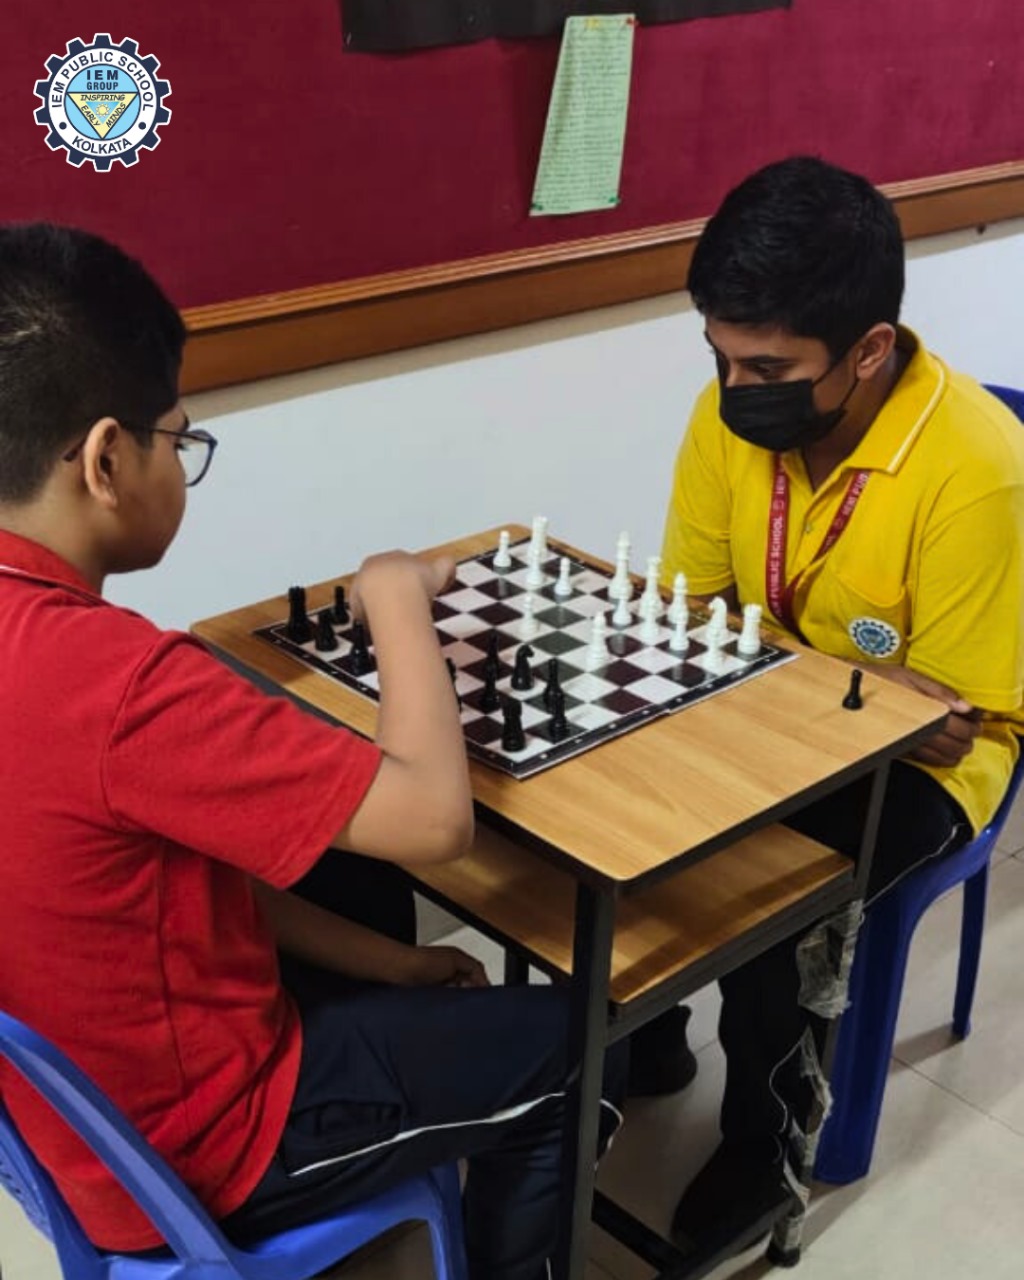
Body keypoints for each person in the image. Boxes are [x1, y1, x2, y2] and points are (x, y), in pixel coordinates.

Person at [0, 223, 625, 1280]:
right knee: (579, 1047)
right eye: (178, 440)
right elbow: (434, 820)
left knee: (344, 869)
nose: (181, 465)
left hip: (67, 1128)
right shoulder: (120, 683)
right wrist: (394, 595)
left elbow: (186, 885)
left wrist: (401, 966)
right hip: (192, 1151)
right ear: (106, 460)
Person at [660, 156, 1024, 1252]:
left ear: (869, 349)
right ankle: (641, 1041)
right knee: (621, 802)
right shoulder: (729, 414)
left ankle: (764, 1150)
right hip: (778, 704)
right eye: (720, 358)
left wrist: (783, 665)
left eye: (767, 367)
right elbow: (689, 615)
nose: (734, 390)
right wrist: (839, 678)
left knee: (778, 891)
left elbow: (946, 728)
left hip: (927, 773)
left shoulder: (981, 469)